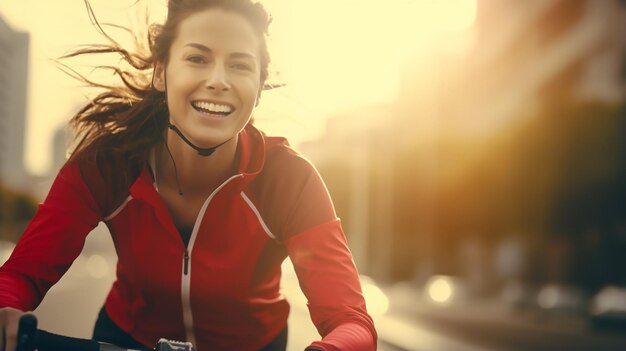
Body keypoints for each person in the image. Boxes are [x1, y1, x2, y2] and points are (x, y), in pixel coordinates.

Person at [0, 0, 377, 350]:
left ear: (259, 88)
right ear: (162, 74)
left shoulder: (290, 180)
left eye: (240, 65)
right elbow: (20, 276)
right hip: (125, 337)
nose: (218, 80)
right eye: (197, 58)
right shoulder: (105, 165)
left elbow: (352, 320)